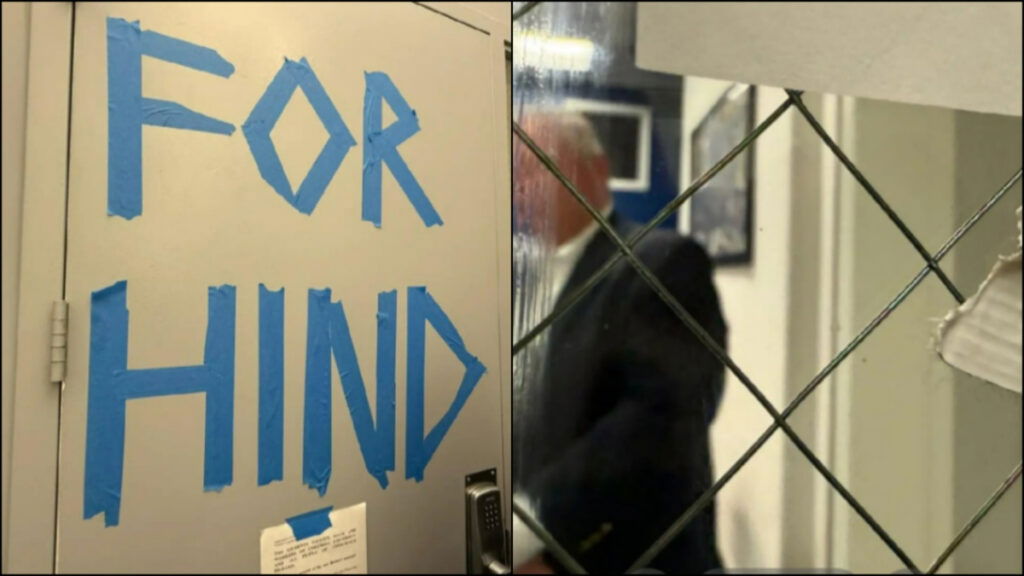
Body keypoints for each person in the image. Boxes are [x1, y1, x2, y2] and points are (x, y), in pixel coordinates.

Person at [513, 111, 727, 574]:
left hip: (618, 554)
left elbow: (657, 423)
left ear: (598, 170)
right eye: (513, 171)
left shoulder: (662, 261)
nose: (520, 185)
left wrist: (539, 539)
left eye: (535, 164)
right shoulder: (516, 280)